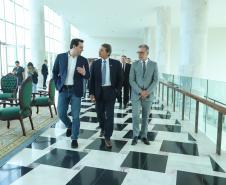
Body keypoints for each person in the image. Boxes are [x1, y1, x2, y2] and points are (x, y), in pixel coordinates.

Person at [52, 38, 90, 148]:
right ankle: (70, 126)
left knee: (76, 116)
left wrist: (84, 73)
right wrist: (58, 85)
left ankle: (74, 138)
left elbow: (88, 76)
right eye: (80, 47)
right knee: (61, 113)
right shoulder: (61, 57)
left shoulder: (83, 60)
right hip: (63, 90)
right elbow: (54, 72)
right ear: (74, 46)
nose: (82, 49)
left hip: (75, 90)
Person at [89, 43, 123, 148]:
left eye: (102, 50)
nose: (99, 52)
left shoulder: (116, 64)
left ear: (108, 52)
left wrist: (116, 90)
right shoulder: (95, 64)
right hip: (98, 92)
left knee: (110, 115)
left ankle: (108, 137)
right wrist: (91, 93)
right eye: (99, 50)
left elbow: (121, 79)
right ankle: (103, 128)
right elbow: (92, 80)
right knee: (99, 114)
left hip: (110, 92)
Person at [129, 44, 158, 146]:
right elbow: (131, 80)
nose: (139, 54)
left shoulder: (154, 64)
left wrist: (147, 92)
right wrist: (141, 92)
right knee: (135, 115)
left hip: (148, 95)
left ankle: (144, 135)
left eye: (142, 52)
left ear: (147, 53)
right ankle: (135, 135)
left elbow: (155, 80)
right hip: (136, 94)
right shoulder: (134, 64)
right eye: (138, 52)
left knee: (145, 117)